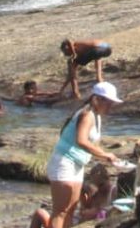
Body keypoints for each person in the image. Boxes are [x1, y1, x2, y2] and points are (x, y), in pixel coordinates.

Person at [41, 82, 122, 228]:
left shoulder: (96, 116)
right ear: (97, 99)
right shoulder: (87, 114)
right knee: (61, 211)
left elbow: (92, 143)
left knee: (71, 210)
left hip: (77, 165)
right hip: (64, 162)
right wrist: (104, 155)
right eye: (109, 102)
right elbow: (81, 140)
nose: (111, 106)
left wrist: (109, 157)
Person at [29, 162, 116, 228]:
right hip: (74, 222)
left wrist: (97, 211)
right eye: (97, 185)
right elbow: (83, 211)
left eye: (102, 184)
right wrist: (83, 195)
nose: (100, 188)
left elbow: (115, 212)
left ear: (107, 179)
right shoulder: (94, 193)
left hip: (82, 224)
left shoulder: (113, 191)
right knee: (39, 213)